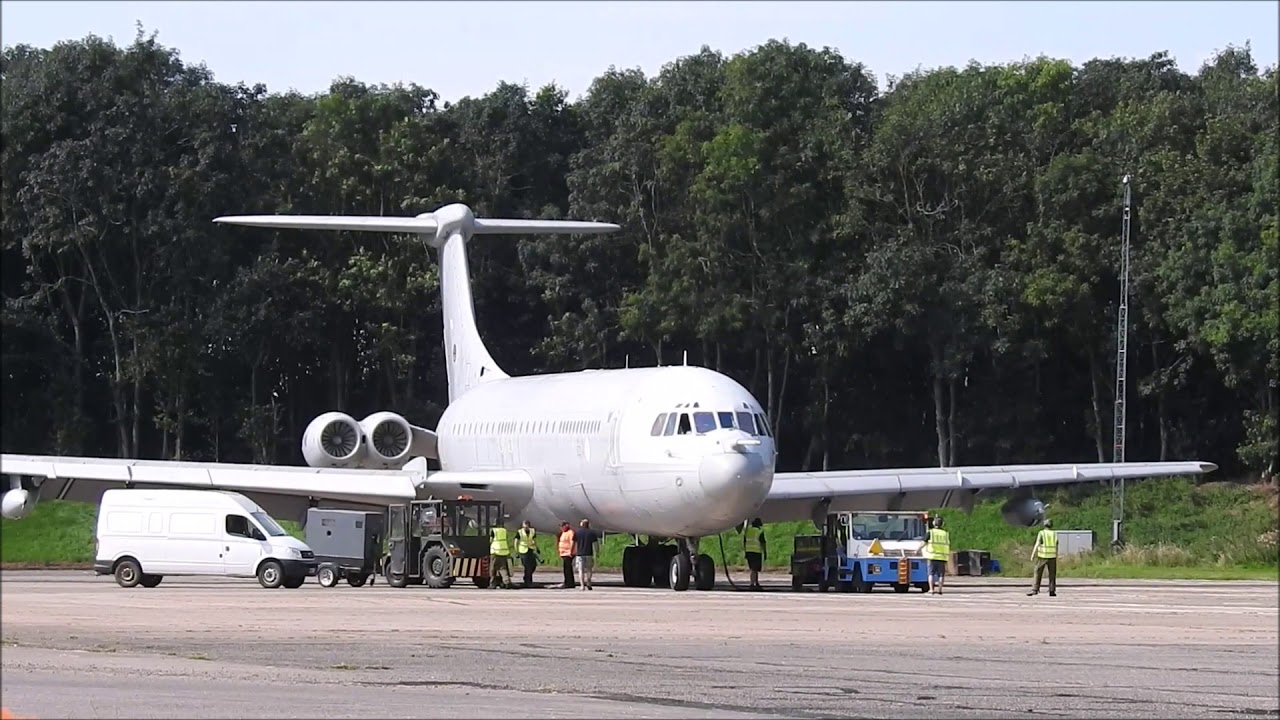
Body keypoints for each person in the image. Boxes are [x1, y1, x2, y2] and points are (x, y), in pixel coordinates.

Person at [1028, 518, 1058, 597]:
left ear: (1044, 525)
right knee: (1052, 574)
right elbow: (1056, 545)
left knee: (1037, 572)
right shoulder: (1054, 533)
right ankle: (1052, 590)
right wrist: (1056, 554)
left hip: (1042, 556)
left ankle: (1035, 589)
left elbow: (1037, 544)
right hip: (1052, 556)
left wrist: (1032, 554)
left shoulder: (1041, 533)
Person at [573, 518, 601, 591]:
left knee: (580, 570)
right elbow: (595, 544)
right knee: (589, 569)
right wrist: (597, 552)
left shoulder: (577, 532)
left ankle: (582, 585)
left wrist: (573, 551)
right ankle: (588, 581)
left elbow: (574, 543)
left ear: (581, 524)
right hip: (589, 553)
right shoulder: (592, 533)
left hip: (580, 554)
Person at [924, 515, 950, 595]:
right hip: (942, 557)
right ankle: (940, 590)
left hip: (932, 556)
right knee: (941, 575)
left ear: (933, 523)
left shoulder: (930, 532)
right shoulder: (945, 534)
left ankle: (931, 590)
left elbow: (924, 542)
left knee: (930, 574)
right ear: (942, 524)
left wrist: (917, 550)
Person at [743, 518, 766, 591]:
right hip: (756, 552)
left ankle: (756, 583)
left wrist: (745, 551)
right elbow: (763, 543)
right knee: (754, 569)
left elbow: (744, 541)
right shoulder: (759, 531)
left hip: (749, 552)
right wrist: (765, 552)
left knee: (753, 569)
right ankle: (752, 584)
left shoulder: (748, 531)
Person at [488, 524, 513, 589]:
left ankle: (492, 584)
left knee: (493, 568)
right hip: (504, 551)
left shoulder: (493, 530)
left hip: (495, 552)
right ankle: (507, 582)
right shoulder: (504, 530)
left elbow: (490, 540)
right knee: (503, 568)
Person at [516, 520, 539, 588]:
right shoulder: (520, 532)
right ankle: (528, 582)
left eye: (527, 525)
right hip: (523, 550)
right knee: (527, 567)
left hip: (530, 549)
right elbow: (516, 541)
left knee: (533, 565)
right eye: (524, 525)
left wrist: (537, 548)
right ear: (523, 525)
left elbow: (534, 540)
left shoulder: (532, 531)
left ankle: (526, 577)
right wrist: (517, 551)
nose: (526, 526)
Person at [557, 521, 576, 589]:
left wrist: (570, 551)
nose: (561, 528)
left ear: (566, 526)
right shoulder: (563, 533)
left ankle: (569, 583)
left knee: (568, 569)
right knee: (566, 569)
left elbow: (572, 542)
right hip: (564, 553)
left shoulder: (570, 532)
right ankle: (567, 581)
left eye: (562, 526)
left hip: (568, 553)